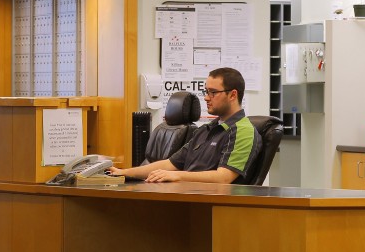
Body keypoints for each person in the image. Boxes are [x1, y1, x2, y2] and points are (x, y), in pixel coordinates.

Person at [109, 67, 262, 184]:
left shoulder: (243, 131)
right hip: (186, 197)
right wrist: (125, 172)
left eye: (213, 92)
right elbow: (171, 164)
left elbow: (223, 178)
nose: (207, 98)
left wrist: (177, 175)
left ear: (233, 95)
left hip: (210, 207)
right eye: (206, 91)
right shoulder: (206, 129)